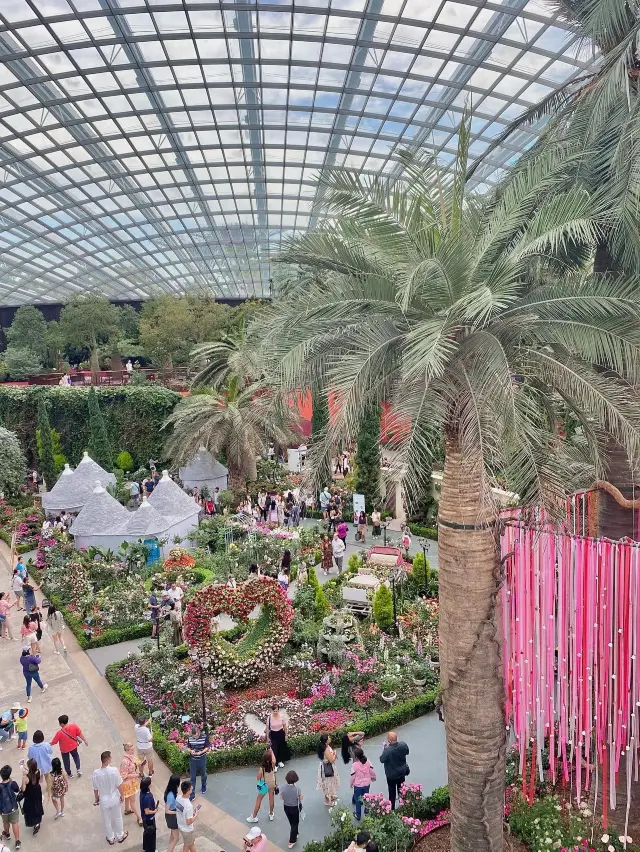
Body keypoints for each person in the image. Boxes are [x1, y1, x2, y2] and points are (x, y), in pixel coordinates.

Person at [92, 750, 128, 846]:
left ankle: (110, 838)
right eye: (110, 757)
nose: (111, 759)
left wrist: (96, 798)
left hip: (104, 799)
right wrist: (122, 795)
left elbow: (95, 789)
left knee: (106, 819)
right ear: (107, 759)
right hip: (114, 797)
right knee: (118, 817)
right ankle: (120, 835)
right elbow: (119, 784)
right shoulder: (114, 770)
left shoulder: (96, 773)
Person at [379, 732, 410, 810]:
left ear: (389, 740)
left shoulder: (387, 750)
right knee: (402, 790)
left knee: (392, 792)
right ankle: (402, 806)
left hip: (391, 775)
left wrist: (384, 749)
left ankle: (392, 808)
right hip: (402, 772)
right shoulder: (403, 745)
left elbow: (382, 760)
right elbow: (407, 752)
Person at [51, 714, 87, 778]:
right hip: (73, 746)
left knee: (66, 761)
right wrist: (85, 740)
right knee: (76, 757)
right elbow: (80, 734)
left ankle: (70, 774)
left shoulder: (59, 733)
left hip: (64, 750)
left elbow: (54, 742)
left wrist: (48, 744)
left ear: (62, 724)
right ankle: (78, 770)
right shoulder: (74, 726)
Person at [246, 747, 276, 823]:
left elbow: (258, 778)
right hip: (272, 783)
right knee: (271, 799)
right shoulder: (273, 764)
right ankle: (271, 814)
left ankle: (254, 816)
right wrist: (271, 750)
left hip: (264, 785)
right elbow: (273, 758)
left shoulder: (261, 768)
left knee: (258, 800)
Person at [350, 748, 376, 820]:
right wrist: (373, 777)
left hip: (358, 785)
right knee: (366, 797)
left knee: (358, 800)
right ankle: (366, 811)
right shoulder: (367, 761)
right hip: (367, 783)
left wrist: (351, 784)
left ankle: (358, 815)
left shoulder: (354, 765)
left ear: (356, 757)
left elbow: (353, 776)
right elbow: (371, 770)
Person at [119, 744, 142, 826]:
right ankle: (139, 817)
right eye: (132, 750)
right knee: (133, 801)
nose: (133, 751)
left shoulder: (131, 757)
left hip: (131, 782)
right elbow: (123, 776)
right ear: (127, 750)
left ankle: (127, 809)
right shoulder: (124, 762)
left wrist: (140, 763)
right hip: (128, 784)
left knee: (128, 798)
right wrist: (136, 775)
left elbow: (137, 761)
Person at [20, 758, 43, 835]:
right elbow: (39, 779)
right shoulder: (39, 771)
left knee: (30, 807)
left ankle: (33, 821)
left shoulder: (25, 777)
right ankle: (38, 822)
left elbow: (23, 789)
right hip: (37, 790)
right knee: (38, 804)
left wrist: (23, 775)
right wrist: (25, 768)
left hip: (29, 793)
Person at [280, 769, 302, 849]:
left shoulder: (282, 787)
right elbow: (300, 798)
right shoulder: (297, 789)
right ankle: (292, 841)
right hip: (295, 808)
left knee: (291, 822)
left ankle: (295, 832)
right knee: (295, 823)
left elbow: (281, 797)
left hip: (286, 807)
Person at [0, 764, 21, 850]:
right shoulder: (13, 784)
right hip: (13, 808)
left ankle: (7, 834)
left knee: (5, 822)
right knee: (14, 823)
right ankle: (17, 841)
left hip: (3, 810)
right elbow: (17, 790)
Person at [27, 731, 53, 798]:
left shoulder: (31, 748)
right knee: (48, 777)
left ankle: (40, 792)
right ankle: (49, 788)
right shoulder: (46, 745)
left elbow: (29, 757)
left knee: (39, 780)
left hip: (37, 767)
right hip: (46, 765)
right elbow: (50, 752)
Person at [186, 726, 209, 799]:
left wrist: (201, 752)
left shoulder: (204, 737)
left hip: (202, 758)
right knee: (192, 777)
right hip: (193, 760)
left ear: (198, 733)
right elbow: (188, 748)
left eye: (195, 736)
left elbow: (207, 747)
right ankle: (192, 795)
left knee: (203, 774)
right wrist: (191, 751)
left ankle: (204, 786)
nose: (194, 738)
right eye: (193, 736)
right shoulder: (190, 738)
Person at [316, 734, 339, 807]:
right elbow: (331, 760)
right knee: (327, 784)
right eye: (329, 738)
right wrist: (335, 754)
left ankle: (331, 796)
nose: (330, 738)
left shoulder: (325, 746)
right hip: (327, 768)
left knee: (330, 782)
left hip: (327, 766)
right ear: (326, 741)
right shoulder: (326, 749)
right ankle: (328, 801)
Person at [175, 780, 199, 851]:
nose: (192, 787)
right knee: (188, 845)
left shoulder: (178, 798)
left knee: (190, 844)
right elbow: (189, 822)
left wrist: (190, 813)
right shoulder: (188, 805)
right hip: (187, 829)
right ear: (188, 790)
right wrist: (196, 815)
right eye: (191, 787)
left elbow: (182, 811)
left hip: (180, 825)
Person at [266, 703, 290, 768]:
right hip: (273, 734)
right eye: (274, 711)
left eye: (276, 711)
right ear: (272, 710)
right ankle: (275, 764)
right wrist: (267, 737)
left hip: (280, 733)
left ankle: (280, 761)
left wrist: (286, 735)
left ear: (278, 710)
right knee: (274, 749)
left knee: (281, 747)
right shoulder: (269, 718)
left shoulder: (281, 716)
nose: (275, 712)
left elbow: (285, 726)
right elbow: (267, 728)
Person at [140, 775, 158, 852]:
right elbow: (147, 812)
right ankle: (150, 850)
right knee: (151, 835)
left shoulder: (142, 793)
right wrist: (155, 811)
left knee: (146, 833)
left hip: (145, 819)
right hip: (149, 819)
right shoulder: (147, 797)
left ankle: (146, 848)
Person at [163, 775, 181, 852]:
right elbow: (167, 810)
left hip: (172, 814)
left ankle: (170, 850)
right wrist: (177, 812)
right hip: (172, 817)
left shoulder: (172, 791)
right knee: (176, 838)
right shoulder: (170, 795)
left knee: (172, 836)